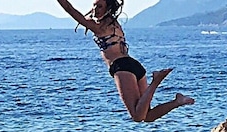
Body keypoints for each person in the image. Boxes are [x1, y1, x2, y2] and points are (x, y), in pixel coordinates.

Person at [55, 0, 194, 123]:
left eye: (99, 6)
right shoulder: (113, 23)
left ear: (107, 8)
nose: (95, 9)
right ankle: (178, 101)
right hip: (134, 65)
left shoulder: (98, 27)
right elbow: (85, 17)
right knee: (148, 115)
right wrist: (91, 14)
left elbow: (70, 9)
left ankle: (156, 80)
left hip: (121, 67)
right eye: (94, 6)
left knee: (137, 117)